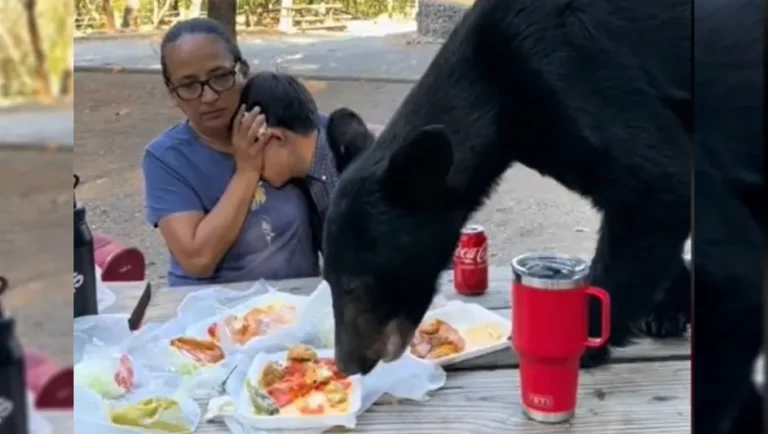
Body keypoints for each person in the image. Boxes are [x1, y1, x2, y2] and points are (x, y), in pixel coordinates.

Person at [141, 18, 339, 287]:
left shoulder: (284, 125)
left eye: (220, 77)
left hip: (295, 309)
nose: (209, 97)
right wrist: (247, 170)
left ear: (243, 71)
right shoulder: (166, 158)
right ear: (172, 93)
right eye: (189, 86)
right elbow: (197, 260)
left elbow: (354, 139)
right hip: (210, 316)